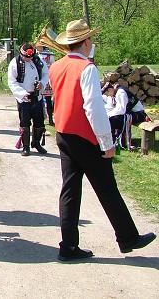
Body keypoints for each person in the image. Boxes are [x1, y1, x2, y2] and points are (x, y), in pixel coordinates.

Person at [49, 19, 155, 260]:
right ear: (86, 41)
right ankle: (128, 238)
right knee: (108, 189)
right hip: (85, 137)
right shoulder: (86, 68)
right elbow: (94, 108)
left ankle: (68, 246)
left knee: (70, 190)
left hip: (64, 133)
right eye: (91, 39)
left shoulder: (56, 66)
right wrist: (107, 142)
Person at [8, 43, 49, 156]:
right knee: (25, 122)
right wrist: (22, 94)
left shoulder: (38, 60)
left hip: (37, 95)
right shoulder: (15, 62)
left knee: (39, 121)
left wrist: (42, 83)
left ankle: (36, 143)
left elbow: (46, 74)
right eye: (26, 57)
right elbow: (12, 81)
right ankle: (25, 146)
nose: (28, 59)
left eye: (30, 57)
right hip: (24, 97)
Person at [101, 82, 150, 149]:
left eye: (106, 93)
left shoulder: (121, 92)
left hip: (139, 114)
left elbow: (121, 110)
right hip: (130, 113)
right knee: (113, 118)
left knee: (117, 118)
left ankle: (123, 141)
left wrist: (109, 115)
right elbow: (110, 107)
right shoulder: (114, 94)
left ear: (109, 90)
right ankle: (113, 140)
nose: (106, 96)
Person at [36, 44, 56, 126]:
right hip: (38, 78)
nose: (36, 47)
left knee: (48, 99)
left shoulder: (49, 55)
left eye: (38, 46)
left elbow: (53, 65)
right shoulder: (36, 54)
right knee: (38, 99)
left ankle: (50, 118)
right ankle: (40, 118)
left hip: (47, 78)